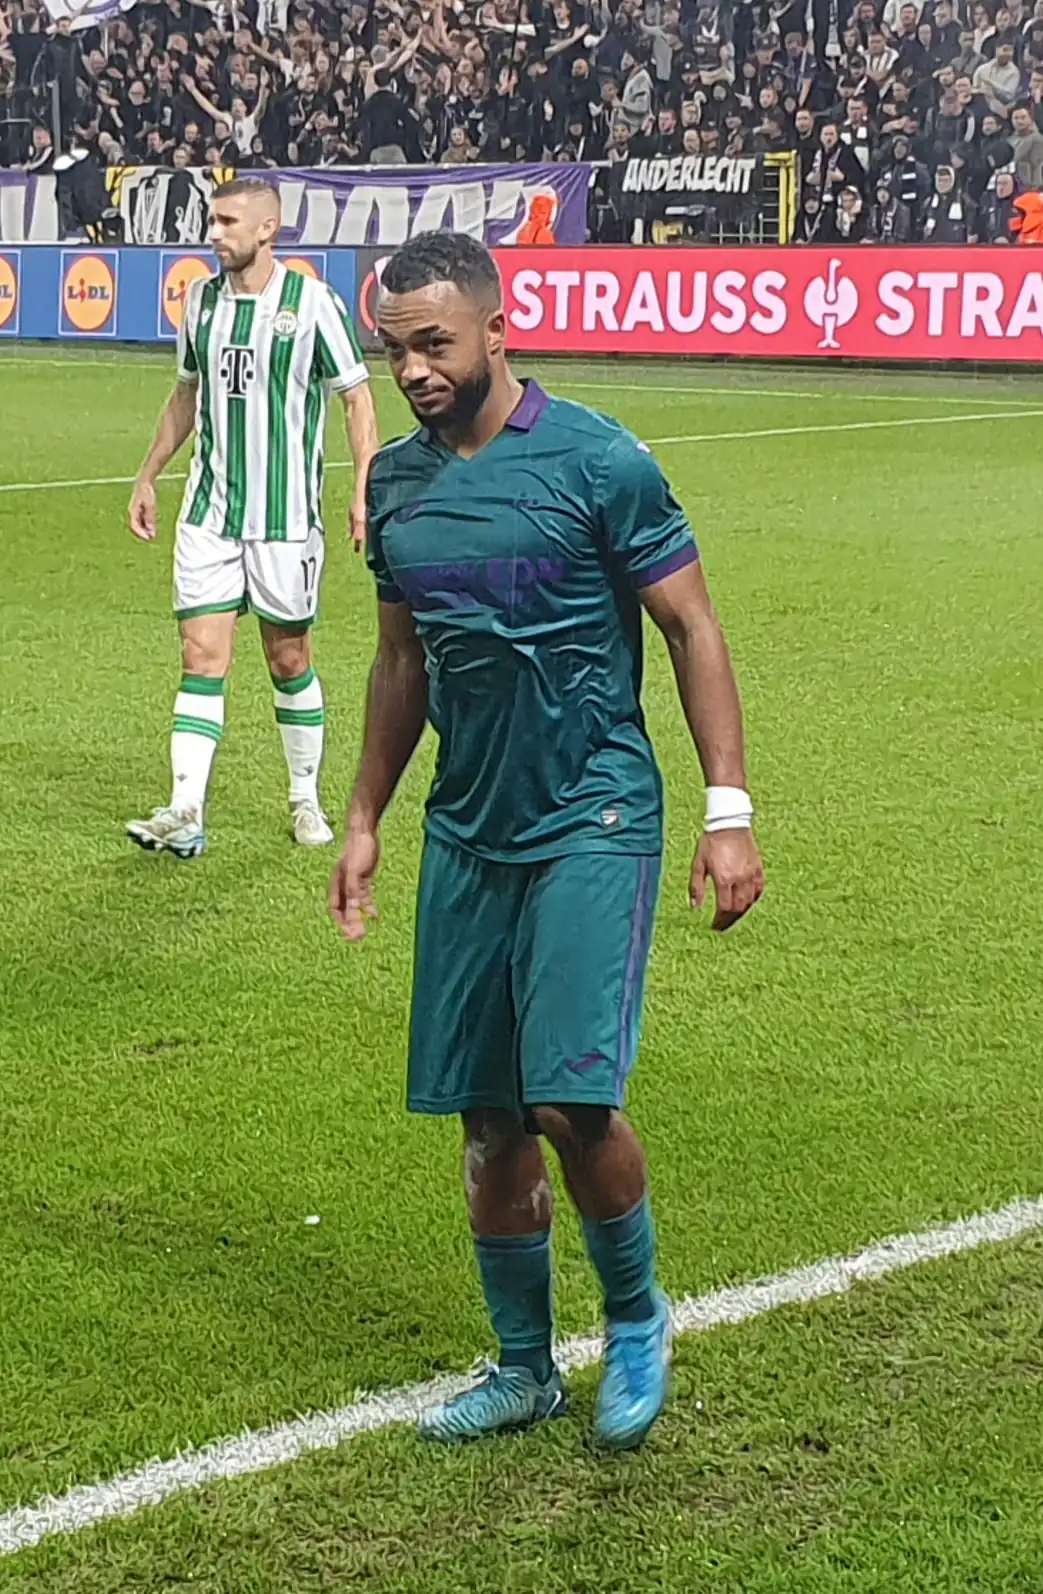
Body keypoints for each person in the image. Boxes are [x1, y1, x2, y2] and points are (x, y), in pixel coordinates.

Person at [330, 232, 764, 1449]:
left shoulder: (597, 459)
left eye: (433, 344)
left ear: (495, 326)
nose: (413, 371)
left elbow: (689, 625)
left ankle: (634, 1316)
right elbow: (401, 662)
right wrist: (362, 816)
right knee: (487, 1114)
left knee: (568, 1098)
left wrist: (727, 811)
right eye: (394, 351)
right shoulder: (396, 487)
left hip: (594, 812)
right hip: (469, 825)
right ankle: (523, 1367)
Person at [126, 177, 379, 858]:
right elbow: (185, 395)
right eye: (212, 221)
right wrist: (148, 474)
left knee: (288, 656)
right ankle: (185, 808)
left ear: (269, 228)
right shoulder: (200, 302)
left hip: (285, 518)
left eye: (228, 221)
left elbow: (356, 398)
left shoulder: (313, 303)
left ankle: (304, 797)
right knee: (200, 656)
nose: (214, 233)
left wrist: (363, 485)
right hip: (209, 511)